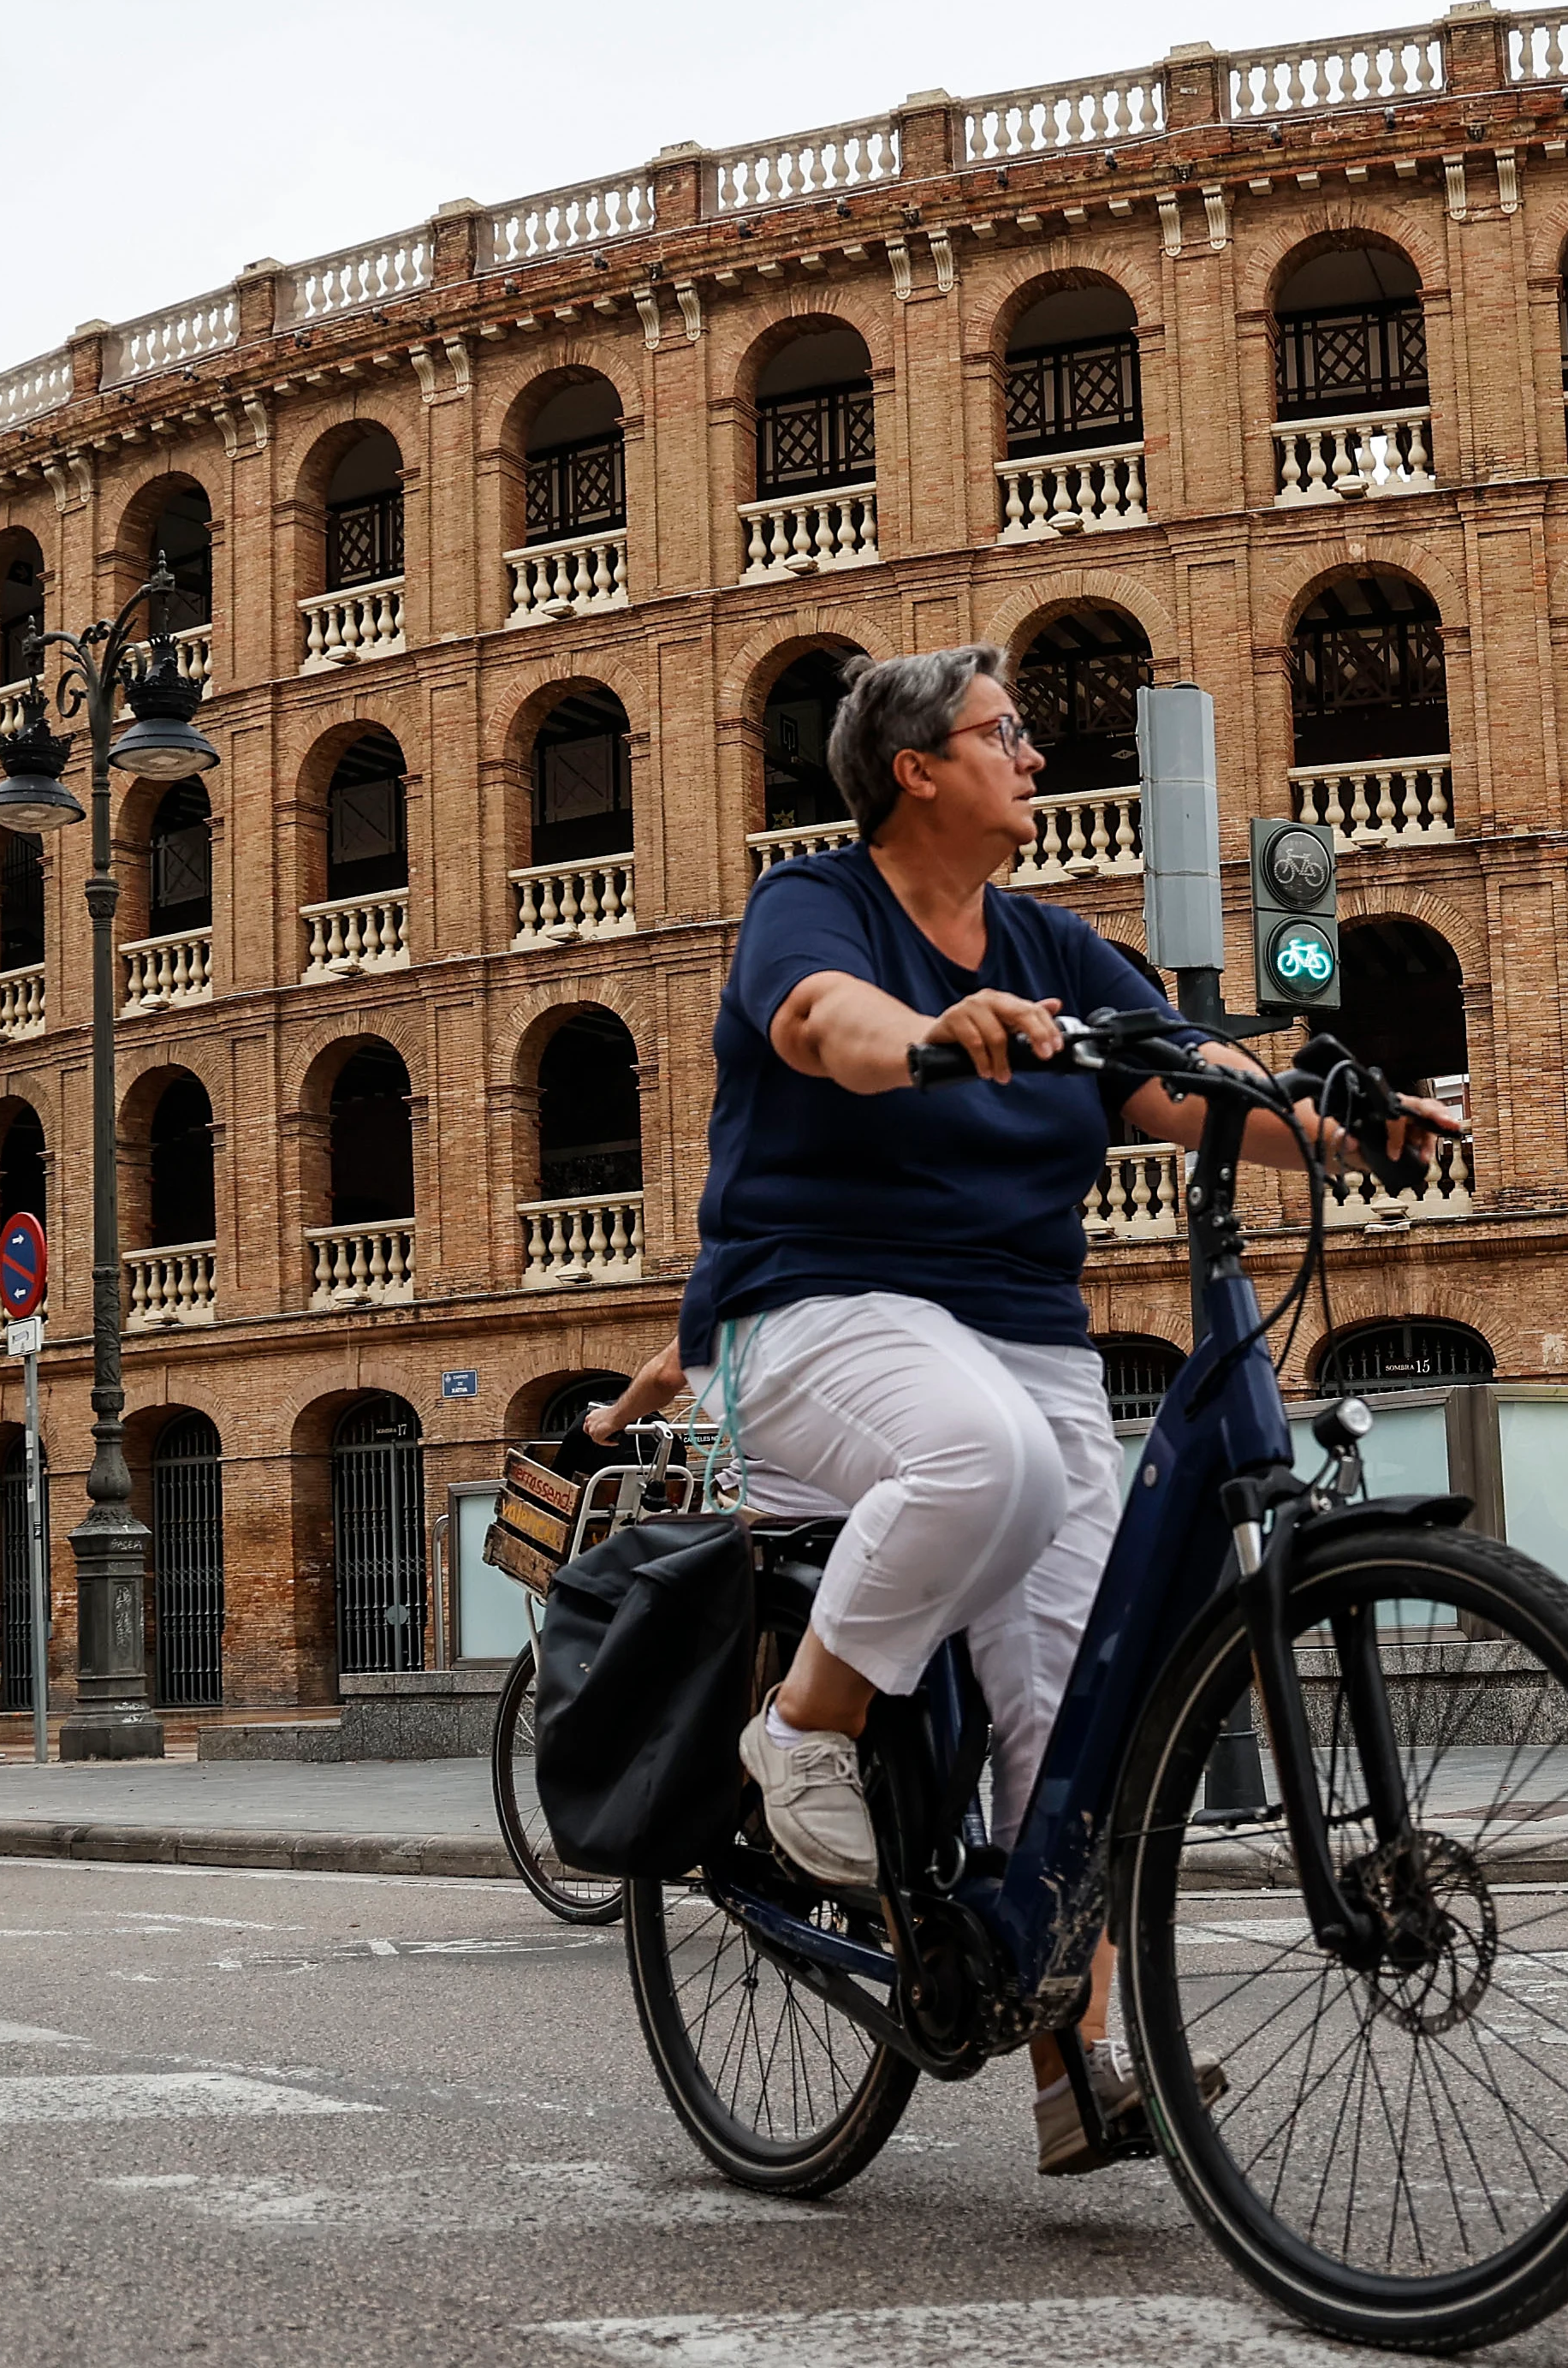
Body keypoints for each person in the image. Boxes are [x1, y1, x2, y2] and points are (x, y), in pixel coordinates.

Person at [580, 643, 1449, 2174]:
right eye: (1004, 734)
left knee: (1083, 1693)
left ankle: (1076, 2066)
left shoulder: (1057, 945)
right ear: (917, 770)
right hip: (810, 1316)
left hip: (1021, 1333)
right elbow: (817, 1023)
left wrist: (1341, 1119)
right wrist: (926, 1038)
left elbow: (1193, 1081)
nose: (1033, 756)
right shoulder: (815, 901)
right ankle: (802, 1732)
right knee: (979, 1460)